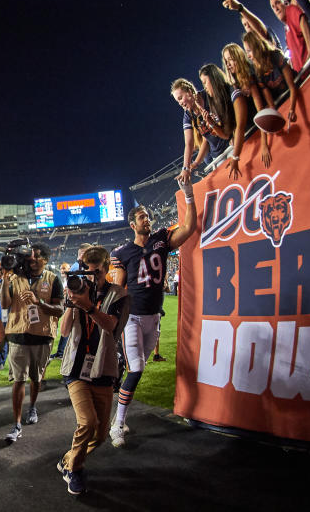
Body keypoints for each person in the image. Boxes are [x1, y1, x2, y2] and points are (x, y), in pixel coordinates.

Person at [108, 190, 197, 449]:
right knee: (135, 369)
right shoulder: (122, 252)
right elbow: (117, 290)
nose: (147, 220)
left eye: (148, 216)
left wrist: (189, 195)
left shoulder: (161, 240)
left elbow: (189, 227)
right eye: (142, 217)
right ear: (132, 224)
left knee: (140, 369)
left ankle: (119, 417)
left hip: (154, 317)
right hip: (133, 318)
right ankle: (117, 423)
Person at [55, 246, 130, 496]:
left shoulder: (118, 294)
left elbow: (111, 326)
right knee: (86, 422)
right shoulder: (78, 291)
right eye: (89, 272)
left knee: (100, 434)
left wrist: (88, 306)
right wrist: (72, 303)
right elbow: (64, 331)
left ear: (107, 269)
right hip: (76, 367)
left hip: (103, 367)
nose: (93, 277)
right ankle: (75, 470)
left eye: (97, 272)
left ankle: (68, 460)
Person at [0, 244, 65, 441]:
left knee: (36, 378)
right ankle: (17, 423)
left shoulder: (53, 279)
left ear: (45, 259)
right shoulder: (14, 278)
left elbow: (60, 309)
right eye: (29, 256)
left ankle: (33, 406)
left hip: (42, 335)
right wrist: (4, 280)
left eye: (36, 256)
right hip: (18, 334)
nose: (31, 259)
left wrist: (39, 303)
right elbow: (5, 304)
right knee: (19, 380)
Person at [222, 43, 273, 170]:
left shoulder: (249, 77)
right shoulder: (234, 84)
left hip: (263, 121)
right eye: (225, 61)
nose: (228, 65)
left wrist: (264, 145)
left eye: (230, 60)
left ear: (238, 58)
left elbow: (260, 110)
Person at [171, 79, 229, 182]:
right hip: (218, 156)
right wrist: (186, 168)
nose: (180, 103)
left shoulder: (208, 96)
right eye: (177, 101)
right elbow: (189, 143)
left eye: (180, 98)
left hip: (230, 143)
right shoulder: (188, 116)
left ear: (189, 92)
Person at [242, 30, 299, 125]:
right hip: (284, 99)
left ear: (256, 47)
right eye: (246, 51)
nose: (248, 55)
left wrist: (292, 109)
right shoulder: (258, 73)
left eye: (249, 50)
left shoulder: (276, 55)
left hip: (297, 92)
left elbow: (292, 86)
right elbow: (272, 104)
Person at [270, 0, 310, 72]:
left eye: (277, 2)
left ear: (286, 2)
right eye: (273, 7)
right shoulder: (286, 28)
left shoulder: (291, 10)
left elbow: (302, 20)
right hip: (305, 74)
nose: (276, 9)